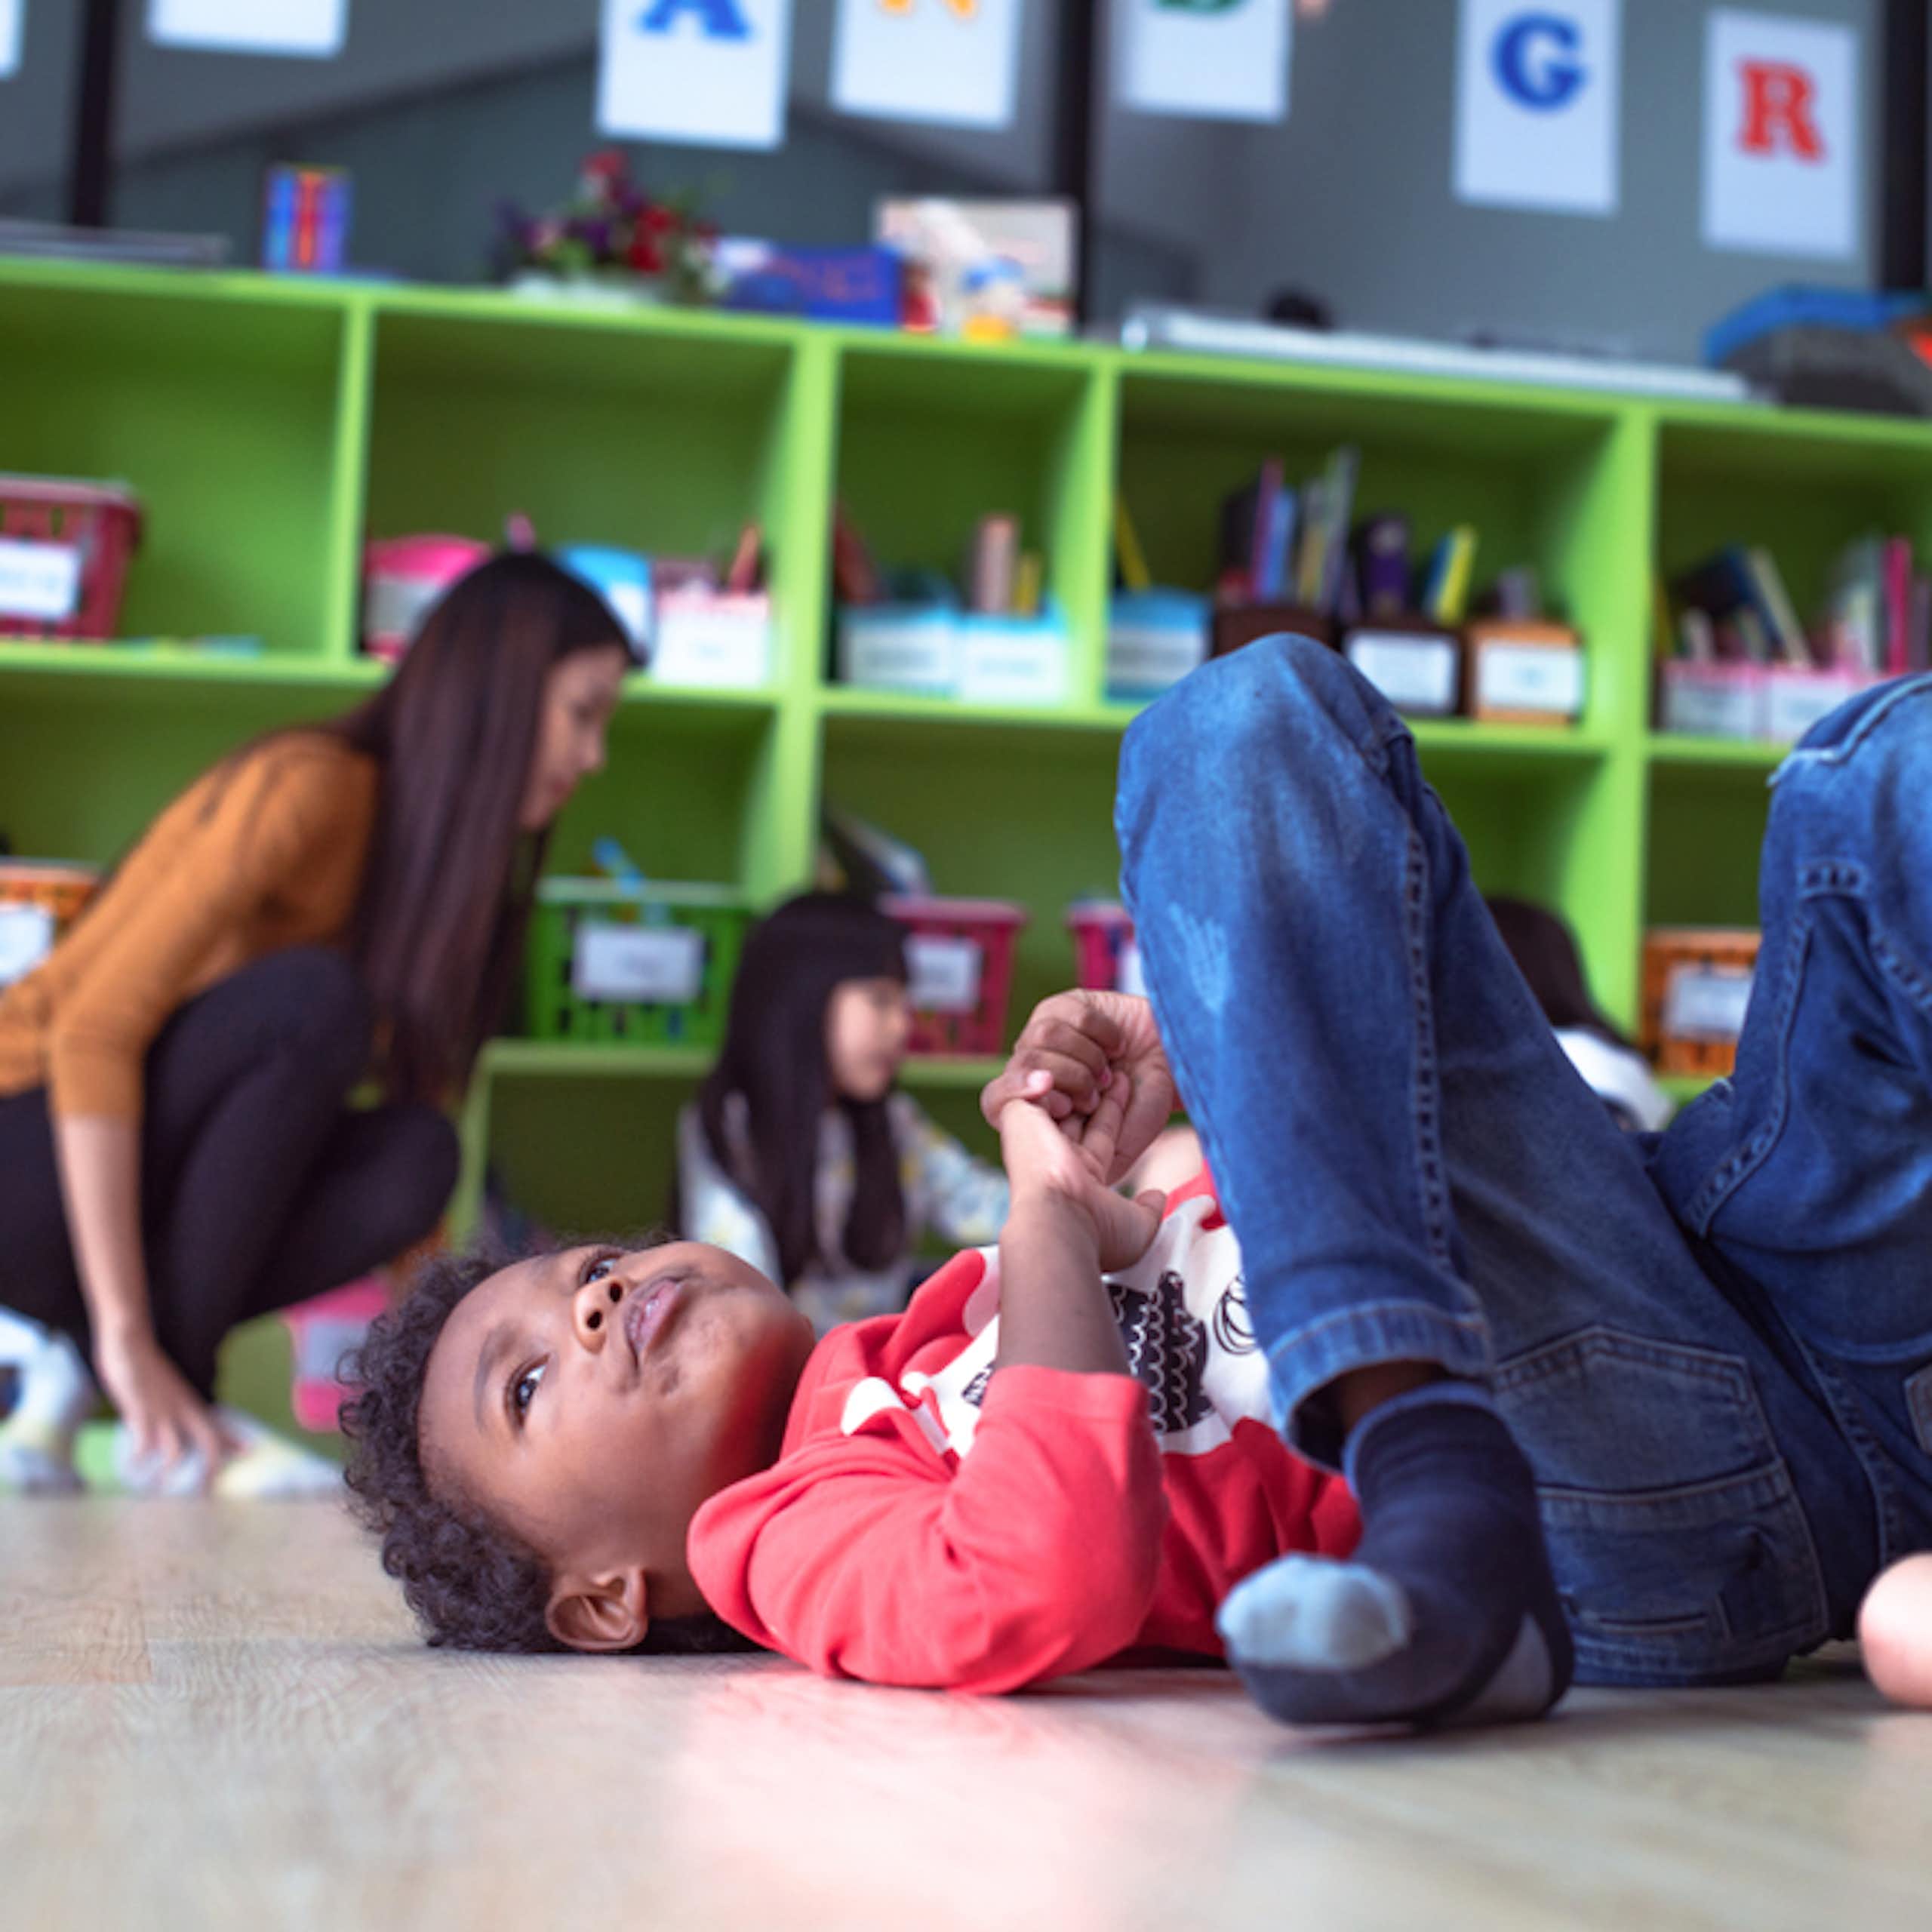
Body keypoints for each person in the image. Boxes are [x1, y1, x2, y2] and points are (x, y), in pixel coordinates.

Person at [342, 1076, 1359, 1681]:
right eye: (525, 1386)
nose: (597, 1301)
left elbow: (1176, 1258)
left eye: (598, 1267)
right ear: (602, 1602)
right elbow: (1043, 1575)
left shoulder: (920, 1344)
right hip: (1429, 1423)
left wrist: (1119, 1186)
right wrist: (1048, 1213)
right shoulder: (795, 1530)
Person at [0, 552, 631, 1494]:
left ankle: (112, 1386)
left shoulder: (449, 896)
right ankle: (156, 1387)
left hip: (129, 1205)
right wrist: (134, 1345)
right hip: (28, 1141)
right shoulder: (312, 787)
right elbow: (93, 1033)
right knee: (313, 1002)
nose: (594, 757)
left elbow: (414, 1197)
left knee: (419, 1156)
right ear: (493, 696)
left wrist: (453, 1442)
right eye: (582, 713)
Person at [674, 892, 1008, 1334]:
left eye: (905, 1002)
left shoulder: (895, 1124)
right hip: (785, 1381)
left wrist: (1079, 1193)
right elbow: (742, 1303)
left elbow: (987, 1206)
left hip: (883, 1377)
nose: (902, 1026)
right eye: (880, 1000)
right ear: (803, 998)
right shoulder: (729, 1129)